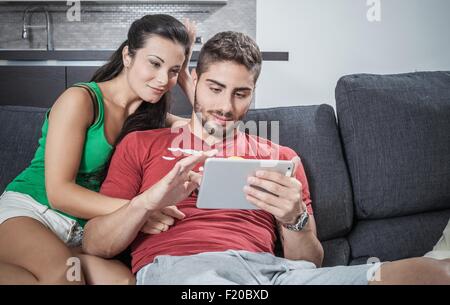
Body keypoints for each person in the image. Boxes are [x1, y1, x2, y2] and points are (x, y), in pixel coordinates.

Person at [82, 31, 450, 285]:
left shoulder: (281, 158)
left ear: (254, 92)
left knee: (435, 274)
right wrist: (147, 203)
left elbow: (307, 264)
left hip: (273, 274)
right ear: (194, 80)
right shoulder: (141, 144)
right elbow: (95, 244)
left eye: (241, 93)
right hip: (184, 271)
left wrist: (295, 218)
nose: (226, 107)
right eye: (215, 88)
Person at [0, 14, 197, 285]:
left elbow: (210, 126)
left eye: (172, 70)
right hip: (32, 211)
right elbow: (59, 193)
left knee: (124, 282)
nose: (163, 79)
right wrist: (140, 209)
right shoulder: (80, 100)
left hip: (78, 232)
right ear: (128, 56)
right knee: (66, 276)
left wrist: (185, 75)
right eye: (154, 63)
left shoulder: (151, 119)